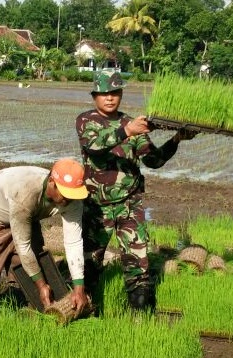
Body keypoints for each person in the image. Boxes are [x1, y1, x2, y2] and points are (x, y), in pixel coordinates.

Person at [76, 70, 197, 311]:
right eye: (104, 94)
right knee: (90, 260)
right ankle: (84, 308)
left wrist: (176, 140)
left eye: (114, 93)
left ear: (120, 94)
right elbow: (94, 146)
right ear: (94, 96)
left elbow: (153, 160)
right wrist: (127, 131)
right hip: (96, 206)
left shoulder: (131, 123)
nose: (109, 98)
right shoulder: (86, 121)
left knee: (137, 262)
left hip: (130, 204)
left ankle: (139, 315)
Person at [0, 159, 90, 316]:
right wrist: (41, 285)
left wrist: (79, 288)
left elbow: (73, 242)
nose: (69, 200)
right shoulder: (26, 194)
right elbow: (23, 247)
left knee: (36, 260)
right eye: (66, 194)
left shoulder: (73, 202)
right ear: (52, 182)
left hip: (23, 215)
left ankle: (33, 309)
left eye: (73, 195)